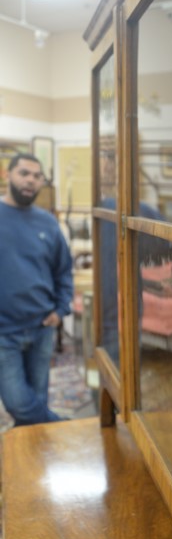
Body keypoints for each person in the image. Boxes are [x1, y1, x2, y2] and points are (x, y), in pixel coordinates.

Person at [0, 153, 74, 426]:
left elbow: (63, 269)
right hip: (4, 332)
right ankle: (60, 426)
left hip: (42, 326)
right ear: (7, 175)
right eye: (24, 173)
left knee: (38, 398)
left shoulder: (48, 223)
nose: (30, 180)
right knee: (18, 402)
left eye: (37, 176)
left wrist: (61, 309)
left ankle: (35, 449)